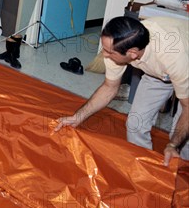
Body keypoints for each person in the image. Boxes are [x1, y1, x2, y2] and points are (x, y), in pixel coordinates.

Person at [55, 15, 188, 166]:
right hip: (158, 73)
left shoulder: (174, 56)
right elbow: (109, 87)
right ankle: (144, 169)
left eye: (109, 52)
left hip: (184, 64)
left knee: (183, 139)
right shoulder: (119, 44)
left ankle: (184, 175)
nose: (104, 55)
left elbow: (187, 108)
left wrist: (172, 145)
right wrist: (77, 117)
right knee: (135, 124)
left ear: (132, 53)